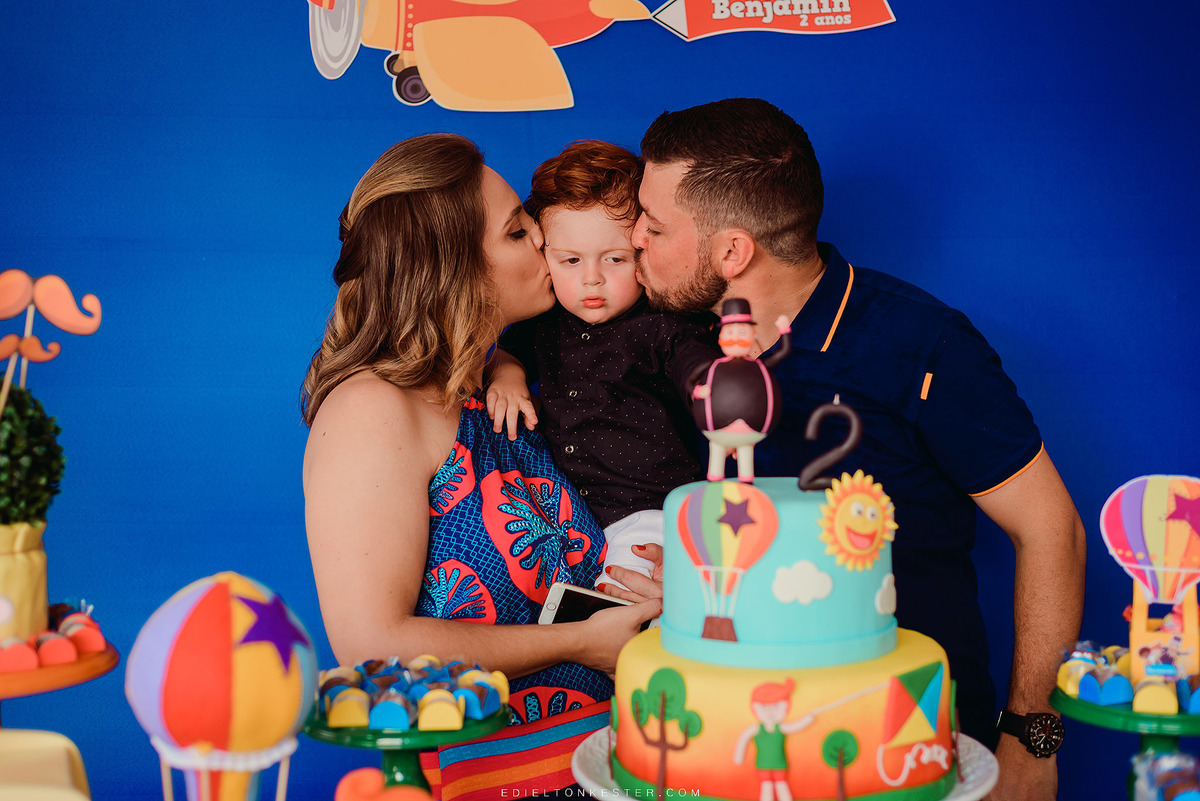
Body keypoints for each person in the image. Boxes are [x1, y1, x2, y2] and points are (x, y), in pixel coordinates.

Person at [610, 98, 1086, 800]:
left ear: (732, 252)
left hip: (910, 751)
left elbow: (1051, 528)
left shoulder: (921, 344)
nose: (633, 241)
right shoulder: (671, 346)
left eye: (653, 226)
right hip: (731, 750)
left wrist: (1030, 738)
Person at [300, 134, 660, 789]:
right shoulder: (372, 408)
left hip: (609, 767)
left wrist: (646, 590)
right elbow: (372, 643)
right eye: (518, 231)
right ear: (453, 268)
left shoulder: (497, 394)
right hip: (485, 781)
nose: (543, 240)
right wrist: (583, 642)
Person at [486, 140, 720, 589]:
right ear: (544, 256)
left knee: (623, 593)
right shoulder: (544, 322)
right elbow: (504, 352)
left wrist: (715, 388)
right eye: (571, 261)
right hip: (566, 514)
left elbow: (702, 373)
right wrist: (508, 375)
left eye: (615, 259)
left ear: (643, 251)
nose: (591, 278)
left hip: (649, 510)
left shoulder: (664, 325)